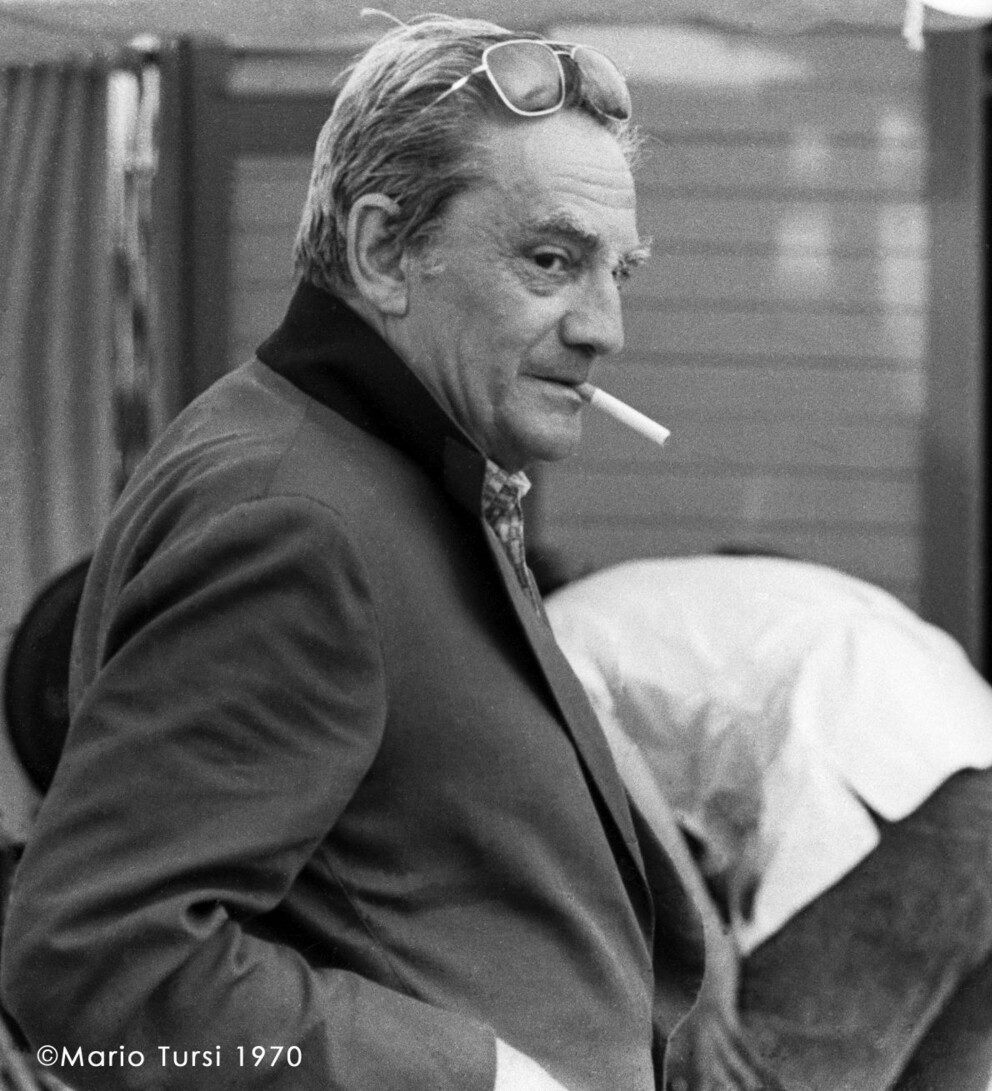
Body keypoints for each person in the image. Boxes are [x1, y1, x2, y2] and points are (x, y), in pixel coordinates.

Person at [0, 16, 703, 1091]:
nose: (604, 325)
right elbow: (97, 963)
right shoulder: (294, 514)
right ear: (382, 252)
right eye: (551, 260)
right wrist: (484, 1078)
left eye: (621, 272)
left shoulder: (381, 469)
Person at [539, 552, 992, 1091]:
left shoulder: (544, 637)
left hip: (897, 793)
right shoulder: (657, 603)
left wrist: (704, 963)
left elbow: (609, 763)